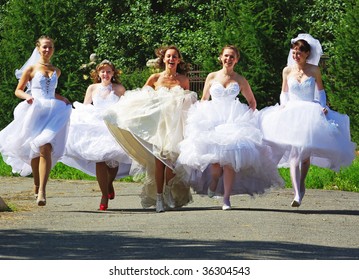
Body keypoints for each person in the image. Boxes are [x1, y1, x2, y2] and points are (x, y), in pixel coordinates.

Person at [176, 45, 284, 210]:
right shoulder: (212, 77)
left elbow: (252, 102)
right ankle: (213, 181)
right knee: (215, 167)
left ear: (237, 59)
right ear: (221, 57)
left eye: (232, 56)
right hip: (213, 120)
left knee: (230, 162)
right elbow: (205, 99)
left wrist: (247, 117)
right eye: (226, 56)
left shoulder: (240, 80)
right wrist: (200, 117)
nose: (228, 59)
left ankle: (226, 199)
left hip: (233, 121)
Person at [259, 34, 356, 207]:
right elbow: (284, 92)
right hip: (292, 111)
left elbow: (321, 91)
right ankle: (296, 193)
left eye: (299, 52)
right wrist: (284, 106)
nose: (296, 55)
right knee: (295, 155)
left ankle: (302, 183)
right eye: (294, 51)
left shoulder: (314, 70)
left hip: (310, 111)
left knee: (305, 156)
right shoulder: (287, 70)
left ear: (307, 54)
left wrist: (323, 106)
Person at [104, 45, 197, 212]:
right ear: (163, 59)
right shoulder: (155, 78)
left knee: (172, 163)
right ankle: (159, 197)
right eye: (168, 56)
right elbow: (142, 99)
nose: (171, 59)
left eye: (174, 56)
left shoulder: (183, 80)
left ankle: (168, 190)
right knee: (159, 163)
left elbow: (186, 104)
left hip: (175, 127)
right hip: (158, 127)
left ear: (178, 60)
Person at [0, 35, 72, 206]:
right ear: (38, 48)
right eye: (44, 47)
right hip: (36, 110)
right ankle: (36, 183)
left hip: (53, 111)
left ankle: (42, 191)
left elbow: (51, 92)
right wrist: (27, 97)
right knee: (34, 150)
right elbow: (18, 90)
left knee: (45, 147)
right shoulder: (31, 69)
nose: (47, 50)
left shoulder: (57, 70)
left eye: (50, 47)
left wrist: (63, 99)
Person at [60, 60, 132, 211]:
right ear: (98, 73)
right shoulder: (92, 88)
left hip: (113, 126)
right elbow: (86, 107)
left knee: (113, 162)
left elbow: (127, 107)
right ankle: (104, 196)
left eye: (109, 71)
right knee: (99, 159)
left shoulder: (119, 89)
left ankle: (109, 183)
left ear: (113, 73)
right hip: (96, 126)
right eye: (103, 71)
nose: (106, 74)